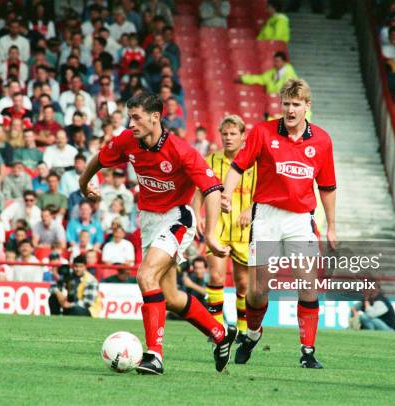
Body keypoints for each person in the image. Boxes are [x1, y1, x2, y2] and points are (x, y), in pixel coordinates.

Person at [79, 91, 235, 375]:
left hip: (178, 217)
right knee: (171, 296)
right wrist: (83, 183)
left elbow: (212, 190)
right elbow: (100, 159)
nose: (132, 123)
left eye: (137, 117)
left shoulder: (181, 150)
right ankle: (220, 333)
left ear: (155, 117)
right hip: (149, 220)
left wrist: (210, 234)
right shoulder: (128, 140)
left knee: (145, 276)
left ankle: (155, 356)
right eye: (130, 117)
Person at [220, 79, 336, 368]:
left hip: (300, 219)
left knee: (308, 285)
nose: (290, 109)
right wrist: (226, 193)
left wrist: (332, 225)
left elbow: (328, 186)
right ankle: (253, 333)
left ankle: (307, 352)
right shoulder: (263, 132)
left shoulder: (322, 140)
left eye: (297, 104)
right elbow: (238, 166)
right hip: (267, 216)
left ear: (307, 106)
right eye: (286, 104)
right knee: (258, 290)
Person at [193, 115, 253, 340]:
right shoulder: (210, 160)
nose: (228, 138)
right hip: (217, 228)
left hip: (244, 231)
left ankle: (242, 328)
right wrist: (196, 213)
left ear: (242, 136)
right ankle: (216, 329)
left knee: (243, 284)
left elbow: (266, 193)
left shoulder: (254, 162)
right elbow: (200, 189)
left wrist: (250, 210)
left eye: (233, 134)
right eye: (225, 134)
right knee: (217, 277)